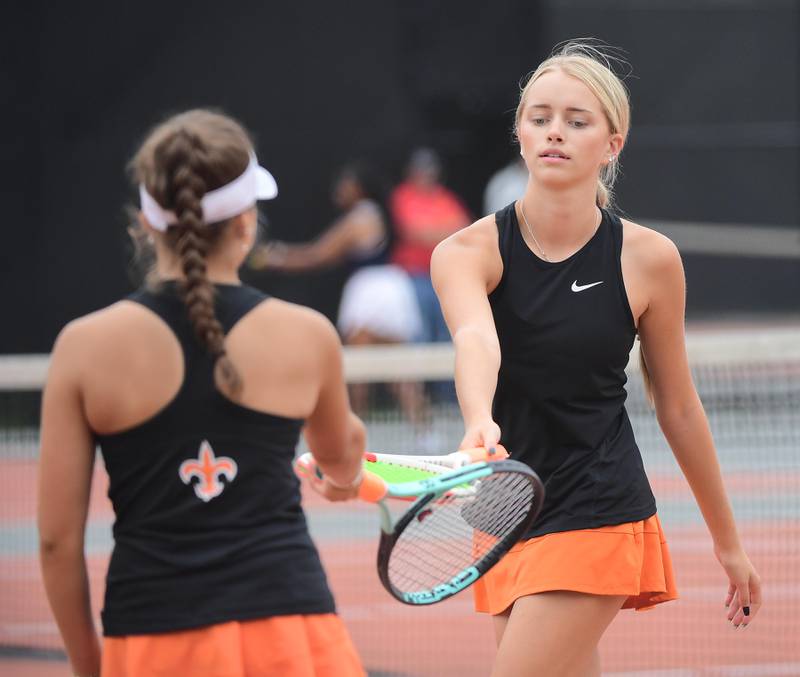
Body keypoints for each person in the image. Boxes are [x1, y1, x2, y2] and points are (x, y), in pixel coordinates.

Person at [431, 41, 762, 676]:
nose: (555, 132)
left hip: (598, 504)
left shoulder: (649, 259)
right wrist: (478, 418)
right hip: (503, 505)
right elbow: (476, 339)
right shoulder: (466, 252)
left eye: (577, 121)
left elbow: (680, 406)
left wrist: (729, 542)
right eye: (539, 117)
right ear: (521, 134)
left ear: (612, 144)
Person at [37, 109, 367, 677]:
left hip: (149, 639)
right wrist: (349, 472)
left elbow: (56, 543)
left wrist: (89, 665)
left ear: (145, 223)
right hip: (290, 636)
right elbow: (341, 461)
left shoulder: (82, 347)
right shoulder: (308, 335)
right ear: (246, 223)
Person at [248, 163, 426, 424]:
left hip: (372, 291)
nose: (340, 189)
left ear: (359, 188)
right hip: (391, 287)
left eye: (346, 183)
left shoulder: (360, 218)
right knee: (399, 368)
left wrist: (275, 257)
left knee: (360, 368)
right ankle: (423, 433)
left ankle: (356, 434)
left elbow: (317, 255)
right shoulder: (376, 213)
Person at [390, 147, 470, 344]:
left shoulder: (444, 197)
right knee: (420, 332)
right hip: (413, 275)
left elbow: (466, 229)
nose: (425, 174)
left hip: (444, 276)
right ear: (411, 171)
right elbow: (413, 232)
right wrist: (444, 231)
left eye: (429, 169)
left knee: (449, 332)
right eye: (420, 169)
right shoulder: (403, 195)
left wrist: (432, 231)